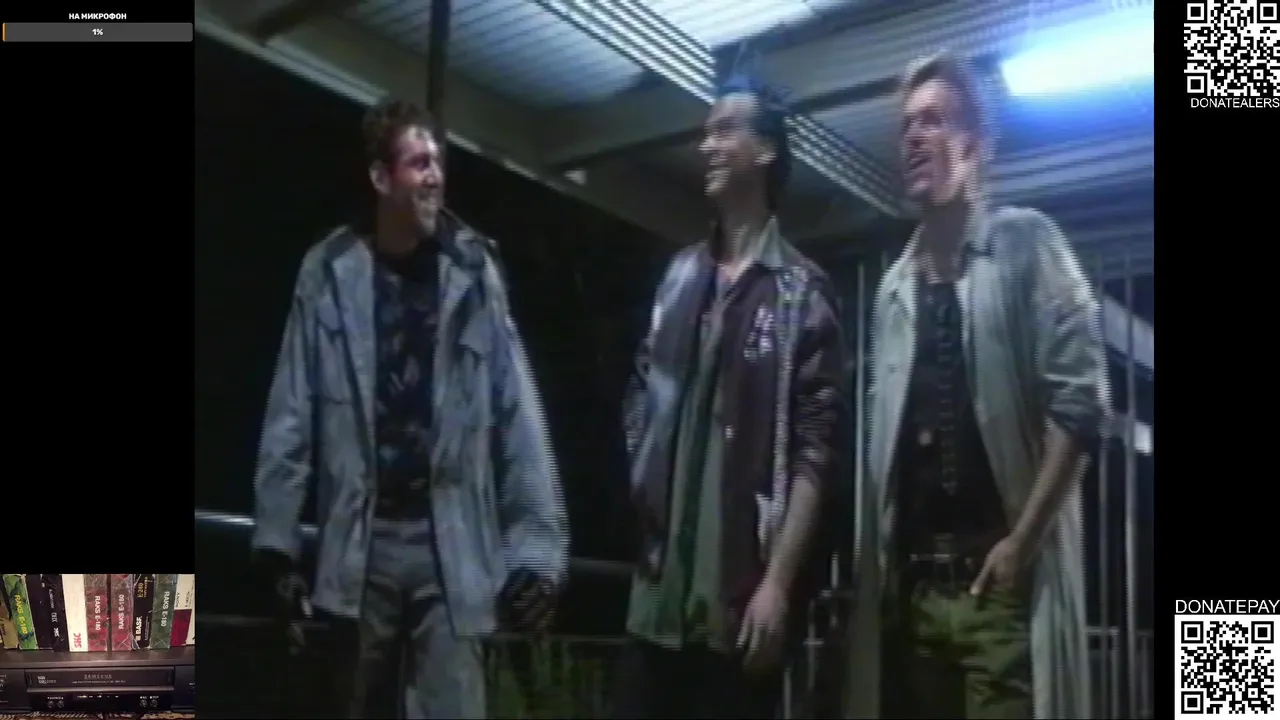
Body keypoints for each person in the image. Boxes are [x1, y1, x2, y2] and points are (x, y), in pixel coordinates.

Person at [251, 97, 569, 719]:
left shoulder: (473, 271)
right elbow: (292, 408)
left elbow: (517, 410)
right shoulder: (328, 271)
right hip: (359, 545)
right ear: (380, 177)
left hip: (450, 545)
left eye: (438, 162)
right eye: (419, 163)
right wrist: (276, 547)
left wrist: (537, 551)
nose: (435, 177)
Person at [843, 52, 1104, 719]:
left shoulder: (1026, 244)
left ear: (976, 144)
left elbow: (1080, 405)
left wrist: (1024, 543)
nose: (913, 136)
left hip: (998, 592)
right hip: (914, 597)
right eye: (906, 124)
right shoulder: (893, 290)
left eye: (933, 120)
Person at [615, 71, 850, 719]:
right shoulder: (680, 274)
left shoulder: (802, 290)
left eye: (724, 131)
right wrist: (643, 479)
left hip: (740, 605)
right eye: (705, 134)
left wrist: (779, 583)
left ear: (765, 150)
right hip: (656, 597)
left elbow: (817, 450)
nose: (707, 147)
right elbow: (640, 392)